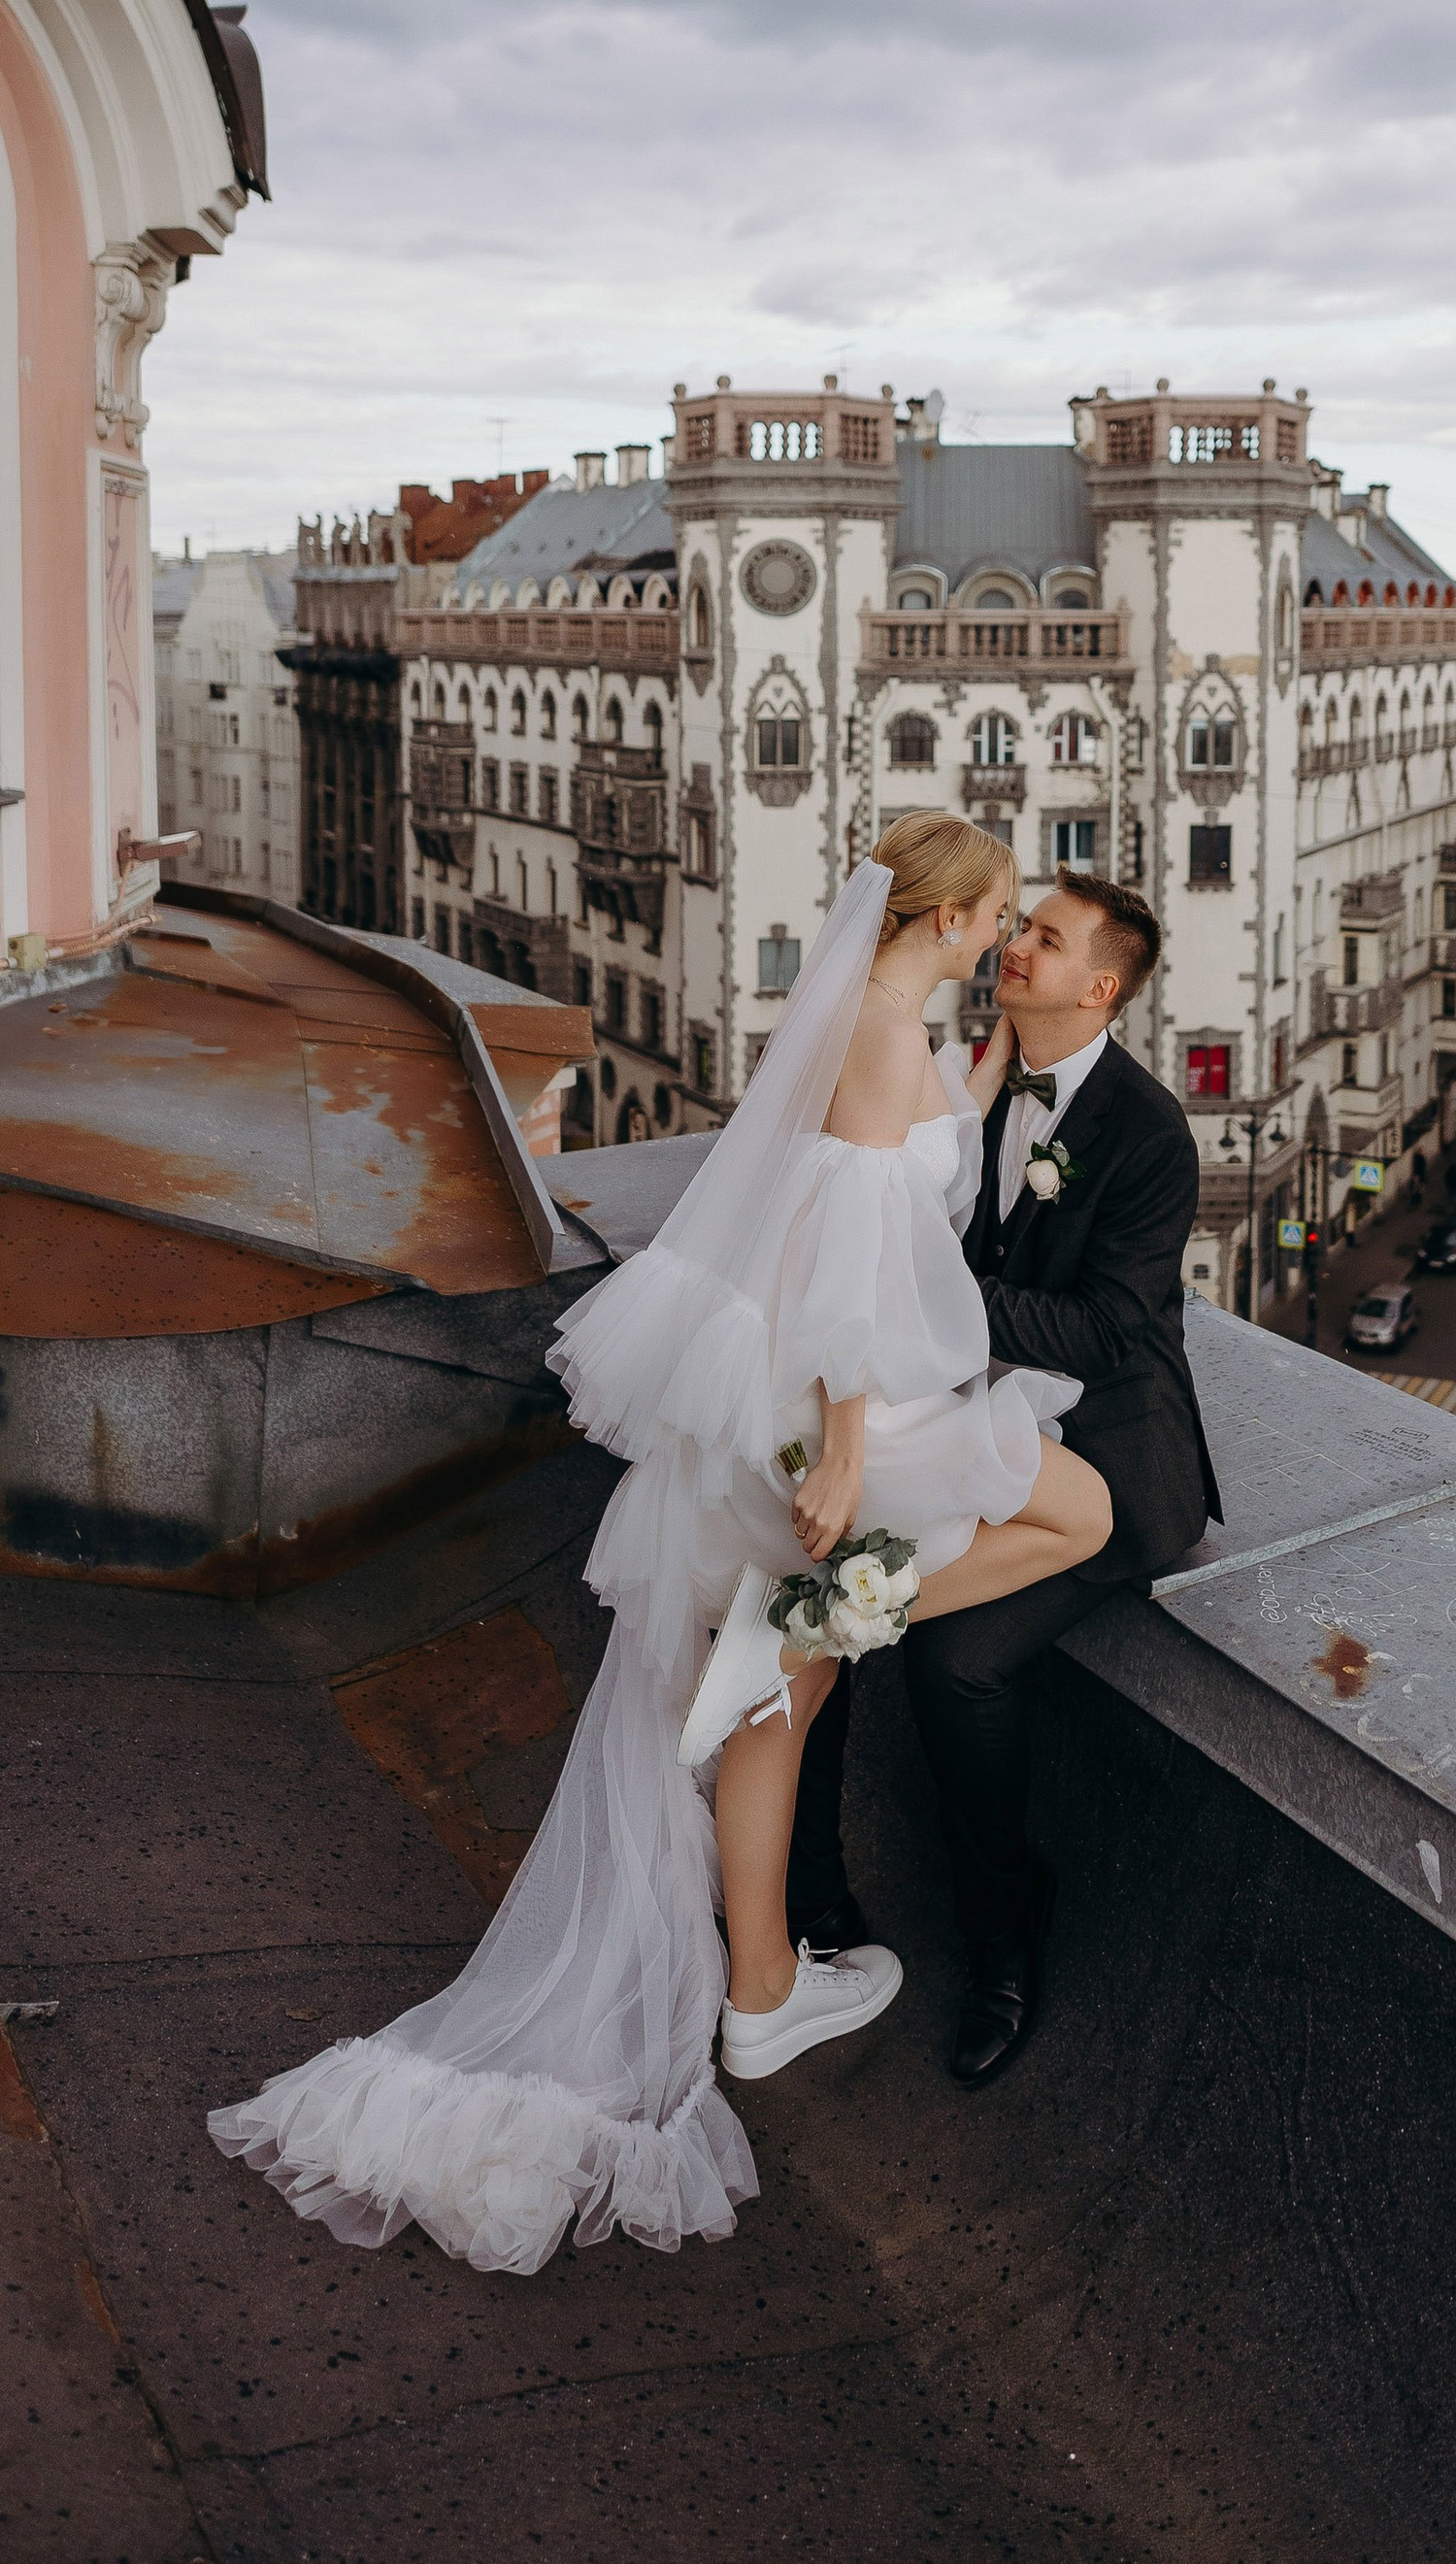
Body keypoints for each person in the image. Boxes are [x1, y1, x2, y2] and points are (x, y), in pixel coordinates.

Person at [208, 816, 1112, 2276]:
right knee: (1071, 1514)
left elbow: (878, 1174)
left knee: (777, 1689)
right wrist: (853, 1454)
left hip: (763, 1397)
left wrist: (995, 1062)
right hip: (833, 1407)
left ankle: (760, 1985)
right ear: (947, 924)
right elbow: (846, 1267)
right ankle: (838, 1653)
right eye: (1000, 915)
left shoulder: (869, 1020)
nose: (1009, 938)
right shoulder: (884, 1044)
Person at [787, 865, 1214, 2087]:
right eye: (1018, 927)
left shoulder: (1145, 1132)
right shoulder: (973, 1075)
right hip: (976, 1426)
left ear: (1100, 987)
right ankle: (813, 1909)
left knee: (950, 1657)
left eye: (1047, 937)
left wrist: (928, 1301)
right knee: (817, 1609)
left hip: (1109, 1460)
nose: (1016, 946)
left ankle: (1003, 1942)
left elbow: (1110, 1334)